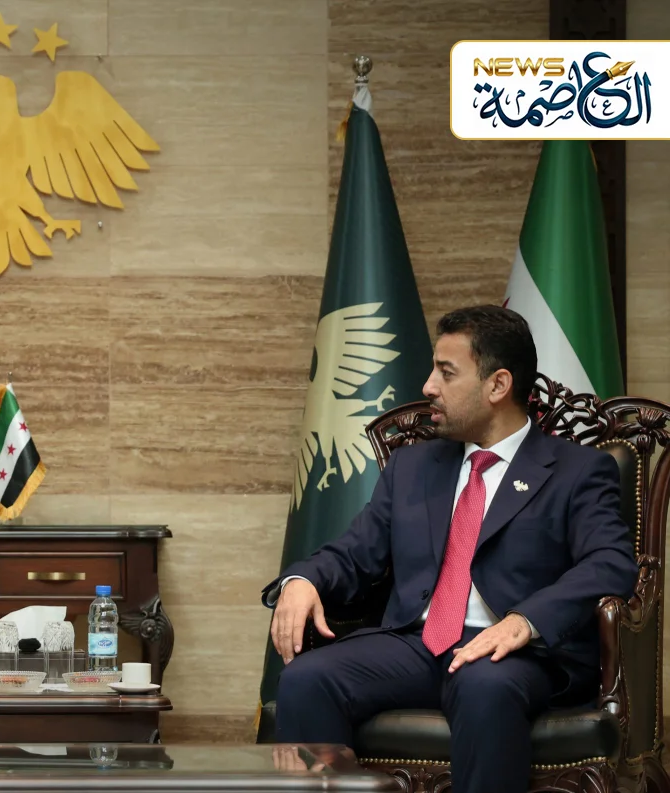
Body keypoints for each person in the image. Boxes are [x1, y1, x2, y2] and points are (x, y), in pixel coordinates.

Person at [263, 305, 636, 793]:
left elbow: (609, 564)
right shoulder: (413, 467)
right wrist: (303, 580)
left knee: (483, 685)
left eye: (446, 372)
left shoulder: (577, 471)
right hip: (417, 645)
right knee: (307, 679)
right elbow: (355, 551)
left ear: (498, 385)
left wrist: (525, 621)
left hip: (516, 654)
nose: (428, 387)